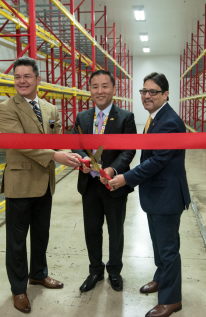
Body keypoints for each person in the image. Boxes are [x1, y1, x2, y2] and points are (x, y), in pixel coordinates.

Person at [0, 56, 81, 314]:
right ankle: (19, 288)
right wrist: (56, 156)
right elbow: (20, 143)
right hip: (20, 183)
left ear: (37, 79)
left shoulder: (50, 108)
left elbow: (57, 141)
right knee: (17, 240)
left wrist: (73, 156)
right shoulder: (5, 108)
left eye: (27, 76)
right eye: (17, 77)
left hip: (45, 183)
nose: (22, 81)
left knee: (41, 235)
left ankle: (38, 274)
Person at [108, 72, 191, 317]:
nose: (147, 96)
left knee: (167, 248)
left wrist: (125, 178)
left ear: (166, 94)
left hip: (167, 196)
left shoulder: (169, 122)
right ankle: (161, 277)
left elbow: (156, 161)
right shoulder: (155, 117)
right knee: (158, 243)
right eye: (144, 91)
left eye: (153, 92)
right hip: (156, 195)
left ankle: (171, 299)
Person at [72, 70, 137, 293]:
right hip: (89, 184)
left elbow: (129, 149)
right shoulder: (82, 117)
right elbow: (75, 143)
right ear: (89, 90)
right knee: (92, 229)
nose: (100, 91)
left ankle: (115, 271)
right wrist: (82, 159)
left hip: (114, 184)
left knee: (115, 230)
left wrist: (112, 168)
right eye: (95, 86)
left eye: (105, 86)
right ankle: (95, 271)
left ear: (114, 89)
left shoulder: (125, 117)